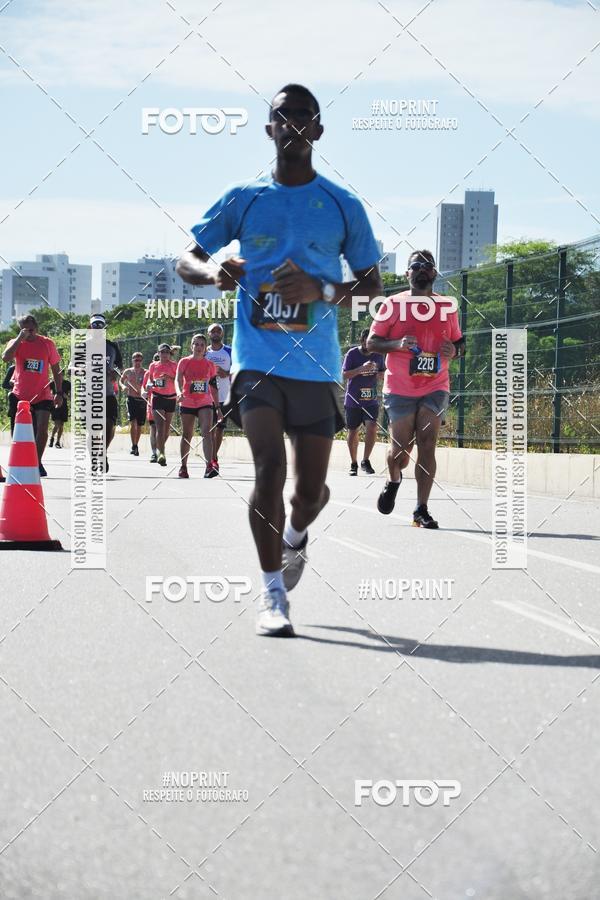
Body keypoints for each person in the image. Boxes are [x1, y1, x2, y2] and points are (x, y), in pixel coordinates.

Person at [176, 83, 382, 636]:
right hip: (255, 361)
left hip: (315, 366)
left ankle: (296, 535)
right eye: (279, 115)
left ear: (317, 130)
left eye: (302, 116)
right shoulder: (244, 198)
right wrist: (214, 272)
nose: (290, 124)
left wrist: (321, 289)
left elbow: (371, 288)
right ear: (269, 129)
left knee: (307, 494)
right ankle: (272, 597)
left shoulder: (343, 205)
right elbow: (187, 260)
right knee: (267, 468)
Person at [367, 250, 465, 528]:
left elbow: (460, 343)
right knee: (399, 453)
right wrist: (397, 345)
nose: (422, 270)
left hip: (435, 385)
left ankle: (421, 509)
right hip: (400, 386)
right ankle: (393, 479)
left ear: (434, 273)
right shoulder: (391, 305)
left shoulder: (447, 306)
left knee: (427, 444)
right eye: (416, 266)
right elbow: (371, 344)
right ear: (407, 273)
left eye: (427, 266)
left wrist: (454, 351)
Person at [2, 314, 63, 476]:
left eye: (31, 327)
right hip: (20, 394)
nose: (29, 330)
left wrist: (59, 392)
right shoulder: (15, 343)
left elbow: (56, 370)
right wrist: (19, 338)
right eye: (25, 327)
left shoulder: (47, 343)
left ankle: (36, 462)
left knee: (42, 428)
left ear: (36, 327)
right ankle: (19, 461)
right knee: (18, 431)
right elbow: (6, 357)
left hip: (42, 394)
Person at [175, 334, 222, 478]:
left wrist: (218, 408)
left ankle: (209, 466)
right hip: (188, 401)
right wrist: (178, 393)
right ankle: (183, 467)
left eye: (202, 344)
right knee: (187, 434)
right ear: (191, 346)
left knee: (207, 432)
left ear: (205, 348)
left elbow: (213, 387)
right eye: (196, 344)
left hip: (205, 402)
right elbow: (177, 380)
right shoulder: (184, 362)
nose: (199, 347)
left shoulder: (209, 364)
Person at [342, 328, 385, 475]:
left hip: (370, 399)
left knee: (372, 426)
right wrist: (361, 368)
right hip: (353, 399)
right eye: (367, 341)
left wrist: (379, 374)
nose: (370, 345)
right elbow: (345, 374)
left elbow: (383, 373)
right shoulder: (352, 354)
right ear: (362, 341)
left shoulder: (379, 355)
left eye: (373, 342)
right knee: (353, 431)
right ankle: (353, 463)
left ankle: (365, 460)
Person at [89, 313, 123, 474]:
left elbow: (119, 366)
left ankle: (103, 452)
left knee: (109, 426)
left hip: (108, 393)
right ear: (90, 327)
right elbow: (71, 368)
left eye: (100, 325)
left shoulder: (112, 346)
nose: (97, 328)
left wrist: (115, 374)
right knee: (93, 430)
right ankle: (95, 458)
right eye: (95, 325)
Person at [204, 322, 232, 472]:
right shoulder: (204, 352)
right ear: (209, 334)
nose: (215, 333)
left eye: (218, 331)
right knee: (209, 429)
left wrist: (226, 373)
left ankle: (214, 457)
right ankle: (211, 458)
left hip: (225, 395)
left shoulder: (229, 351)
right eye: (212, 331)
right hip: (206, 397)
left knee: (220, 428)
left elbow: (239, 369)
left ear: (221, 333)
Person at [146, 343, 177, 466]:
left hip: (171, 397)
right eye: (162, 352)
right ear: (158, 353)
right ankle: (161, 454)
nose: (165, 354)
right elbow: (150, 379)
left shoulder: (175, 365)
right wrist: (149, 384)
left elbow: (180, 380)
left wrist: (169, 377)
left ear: (170, 354)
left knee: (166, 428)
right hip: (158, 397)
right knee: (159, 426)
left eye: (167, 352)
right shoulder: (153, 365)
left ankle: (159, 449)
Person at [120, 351, 147, 456]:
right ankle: (133, 445)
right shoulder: (128, 372)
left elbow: (150, 382)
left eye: (140, 360)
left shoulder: (145, 372)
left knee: (139, 425)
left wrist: (145, 390)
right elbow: (121, 380)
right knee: (133, 422)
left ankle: (136, 444)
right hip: (131, 399)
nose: (138, 362)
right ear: (132, 360)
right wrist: (123, 386)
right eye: (136, 360)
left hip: (141, 400)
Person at [142, 352, 160, 462]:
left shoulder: (169, 370)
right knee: (153, 428)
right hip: (152, 403)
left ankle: (160, 450)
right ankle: (154, 453)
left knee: (162, 430)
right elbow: (143, 388)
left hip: (166, 403)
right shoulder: (148, 373)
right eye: (156, 360)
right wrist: (144, 392)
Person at [49, 373, 71, 448]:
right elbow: (47, 393)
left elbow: (72, 397)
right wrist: (52, 396)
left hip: (64, 407)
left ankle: (57, 441)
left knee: (61, 425)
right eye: (58, 375)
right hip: (55, 406)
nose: (60, 376)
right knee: (57, 424)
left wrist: (67, 397)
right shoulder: (52, 383)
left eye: (61, 375)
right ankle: (52, 438)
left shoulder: (67, 384)